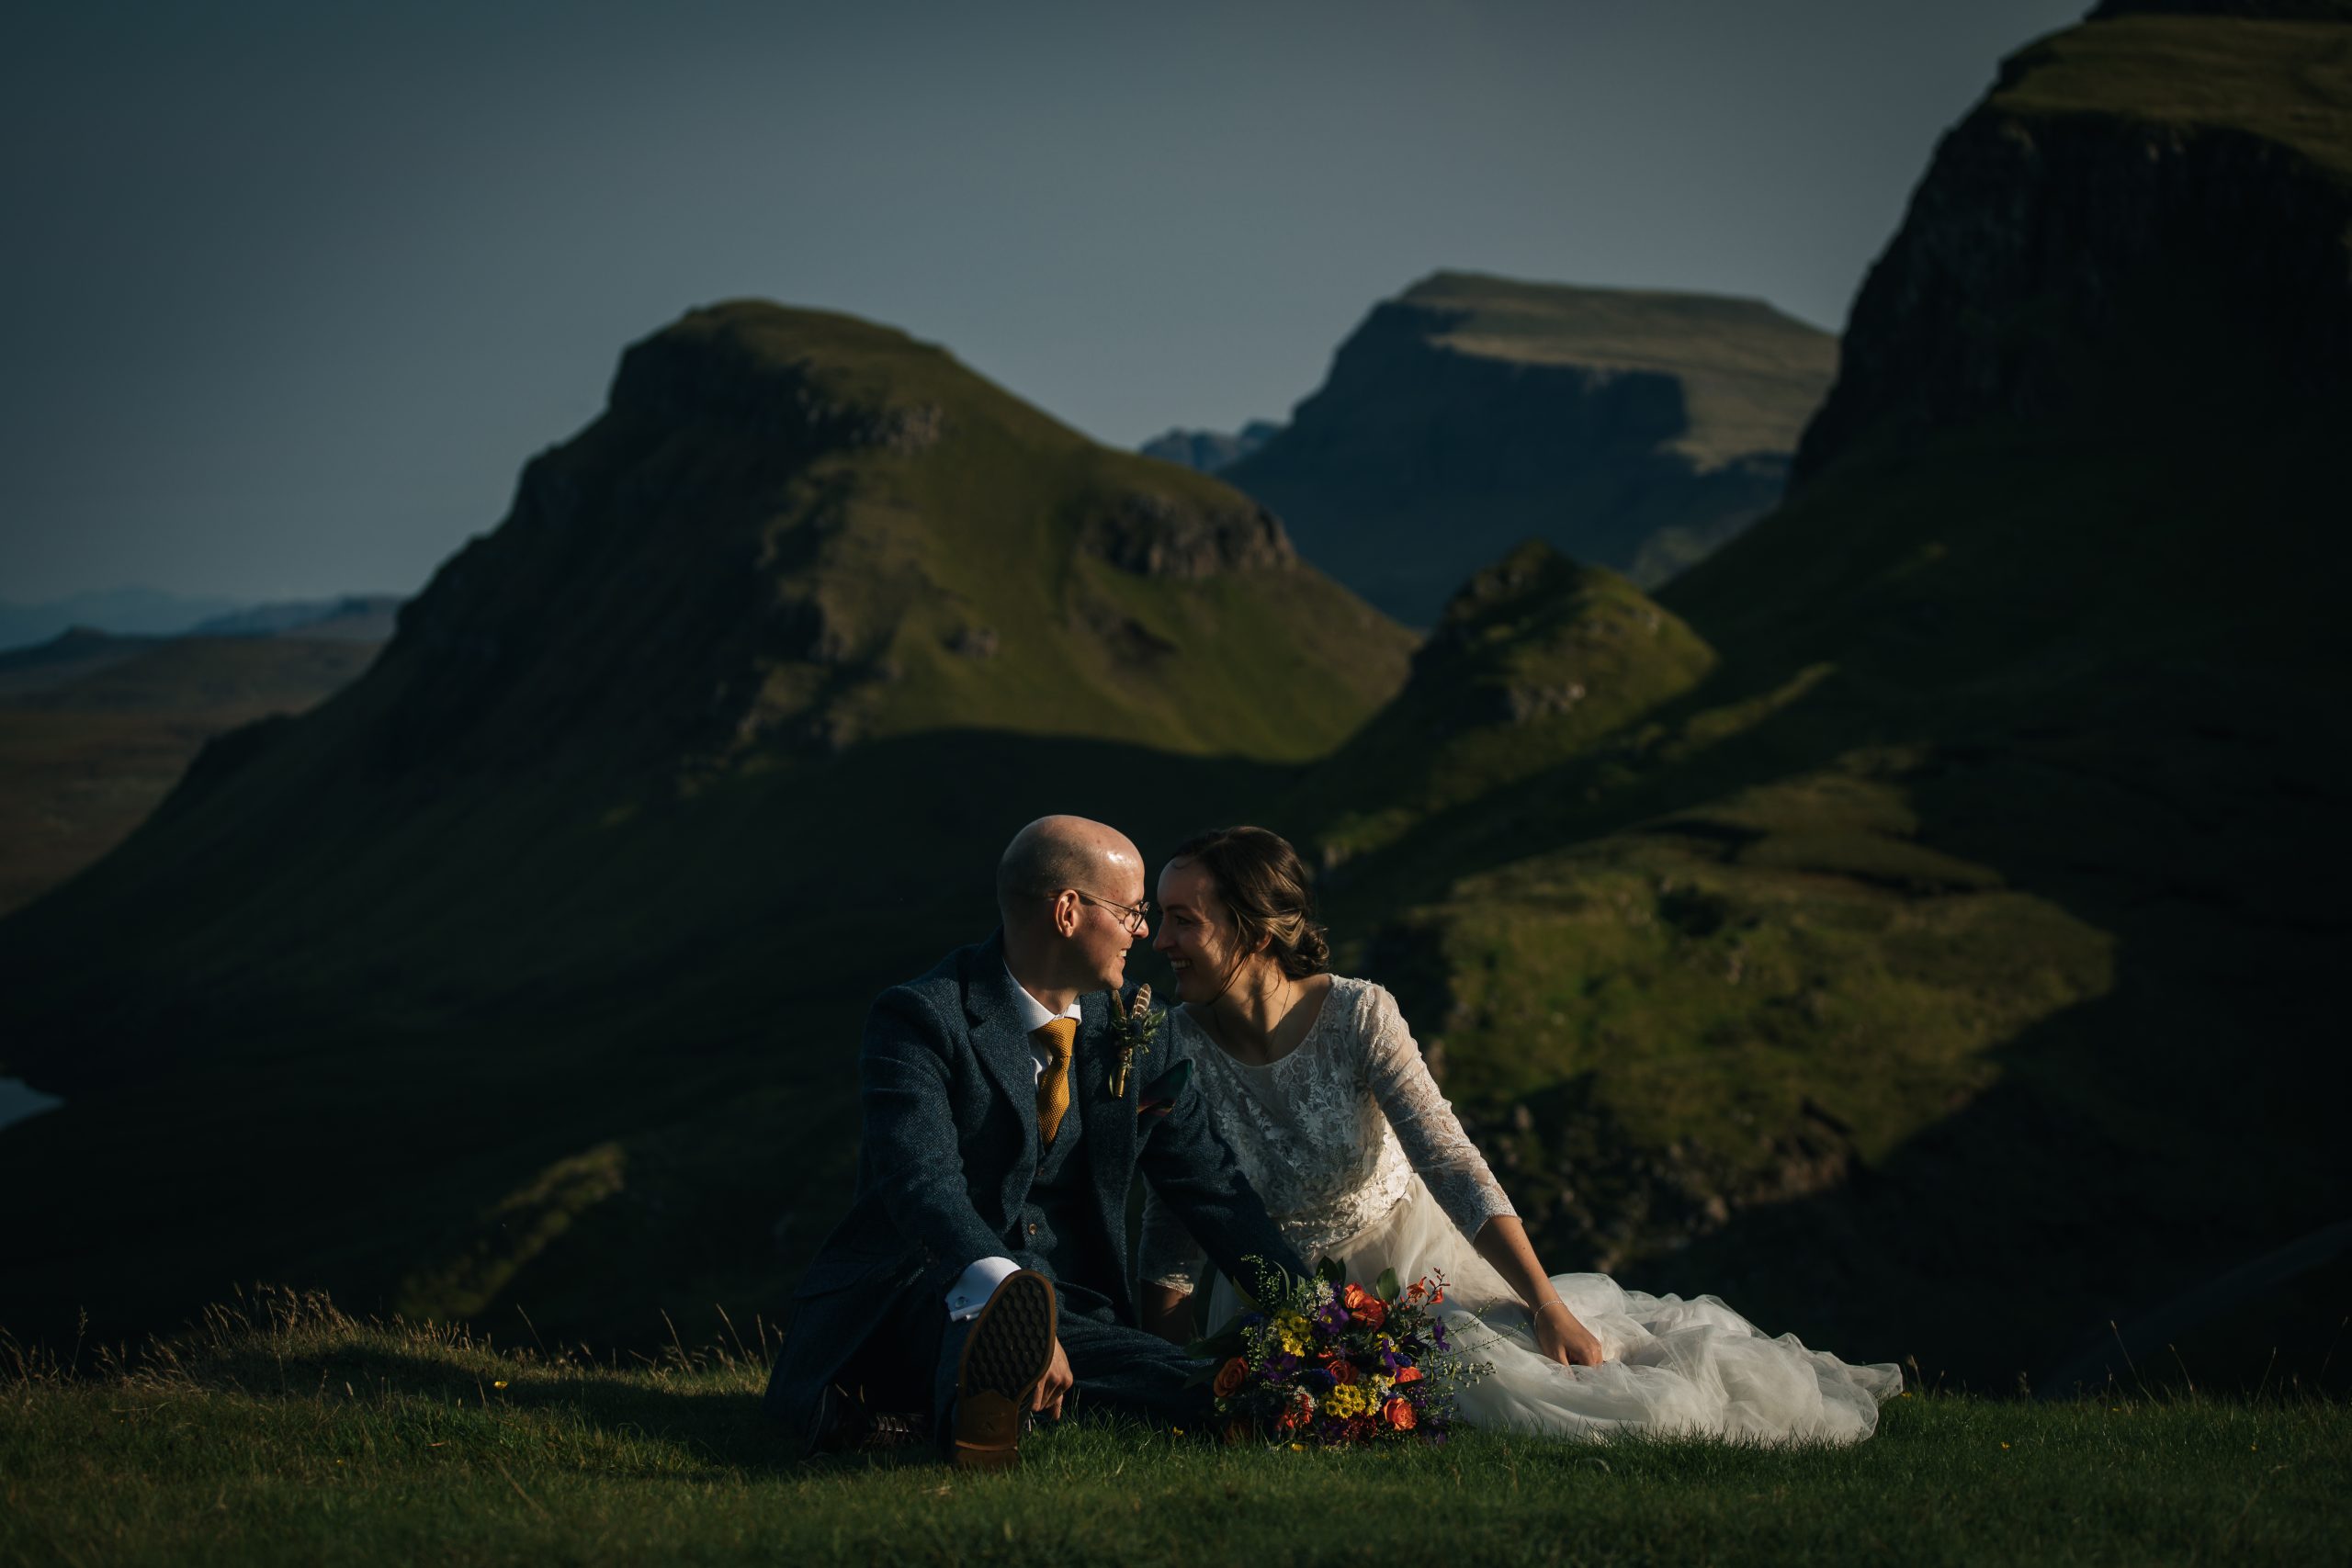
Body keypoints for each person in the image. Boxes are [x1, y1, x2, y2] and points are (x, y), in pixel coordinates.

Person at [1136, 825, 1903, 1443]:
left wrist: (1542, 1303)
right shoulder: (1174, 1044)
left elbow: (1449, 1159)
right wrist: (1178, 1371)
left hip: (1414, 1272)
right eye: (1160, 917)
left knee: (1573, 1399)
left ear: (1258, 930)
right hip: (1277, 1298)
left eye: (1184, 919)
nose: (1161, 940)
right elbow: (1175, 1210)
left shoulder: (1358, 1014)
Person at [763, 815, 1306, 1467]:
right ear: (1069, 911)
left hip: (1075, 1307)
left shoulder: (1140, 1028)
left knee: (1201, 1382)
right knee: (984, 1330)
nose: (1145, 932)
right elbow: (922, 1184)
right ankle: (979, 1379)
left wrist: (1319, 1316)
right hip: (927, 1287)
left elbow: (1213, 1188)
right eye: (1133, 910)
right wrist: (1004, 1294)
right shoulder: (919, 1018)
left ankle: (968, 1405)